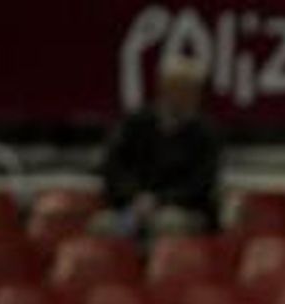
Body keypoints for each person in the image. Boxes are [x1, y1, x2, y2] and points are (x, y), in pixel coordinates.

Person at [95, 53, 221, 239]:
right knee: (104, 225)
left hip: (183, 210)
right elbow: (114, 169)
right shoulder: (134, 124)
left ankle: (163, 267)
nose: (187, 96)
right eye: (180, 88)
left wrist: (159, 200)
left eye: (192, 90)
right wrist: (134, 197)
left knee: (167, 223)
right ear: (164, 88)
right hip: (133, 206)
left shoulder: (205, 133)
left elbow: (201, 184)